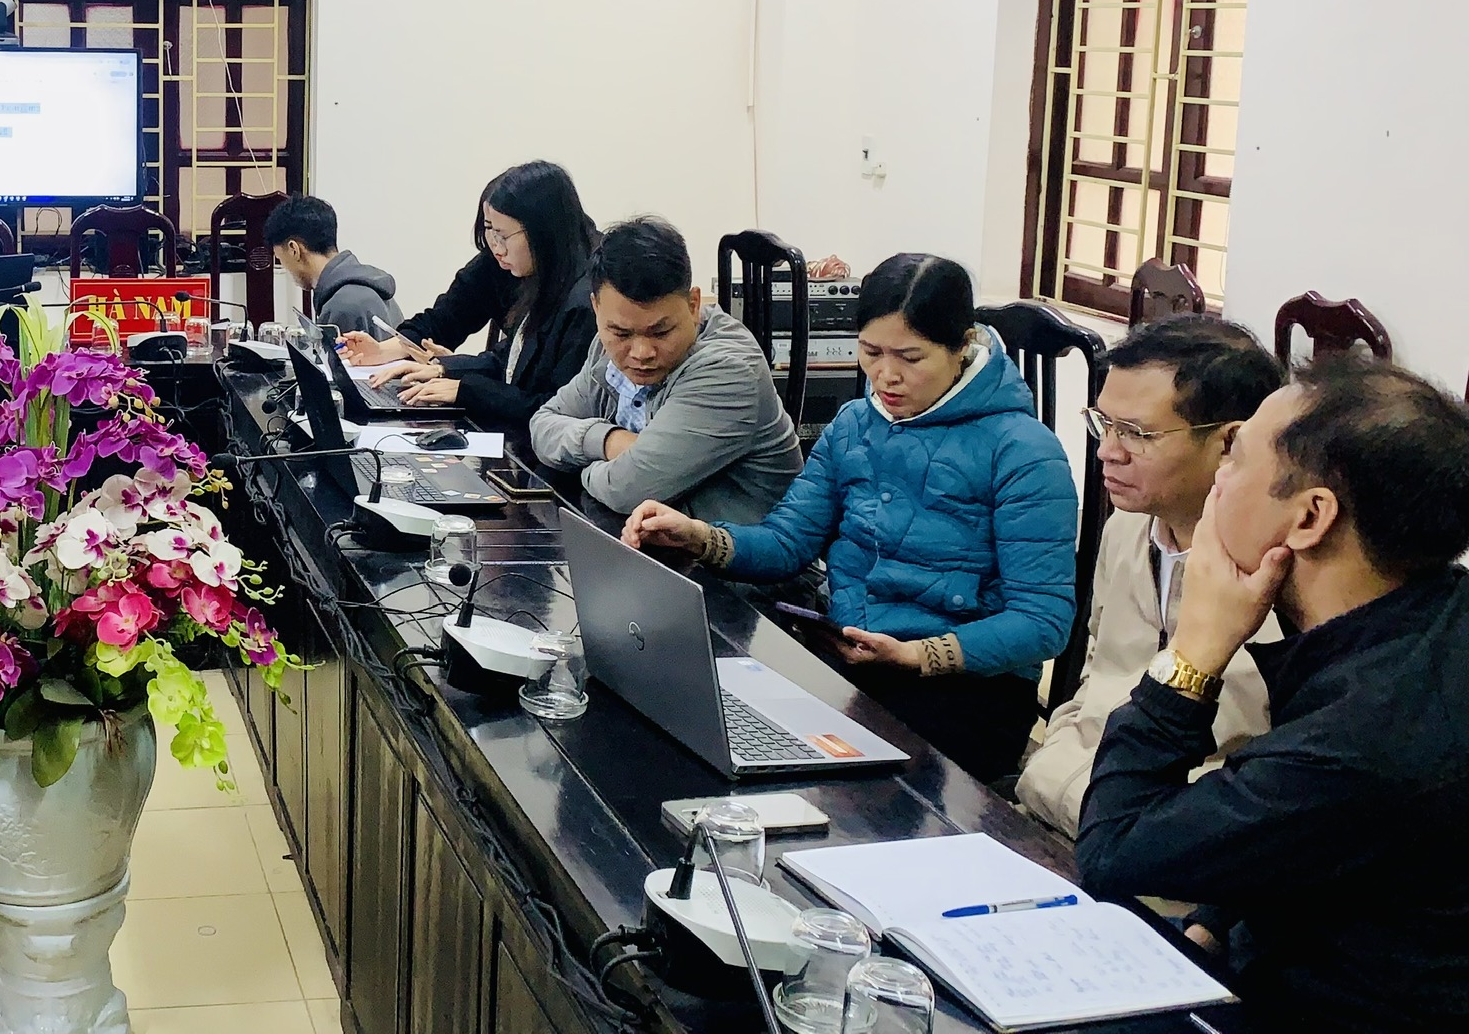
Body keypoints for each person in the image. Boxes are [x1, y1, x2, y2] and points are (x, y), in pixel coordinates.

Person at [1077, 355, 1469, 1032]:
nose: (1217, 478)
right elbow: (1304, 836)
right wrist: (1218, 916)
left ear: (1311, 517)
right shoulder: (1428, 617)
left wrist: (1193, 656)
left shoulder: (1364, 736)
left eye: (1235, 456)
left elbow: (1114, 852)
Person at [623, 253, 1076, 782]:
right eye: (871, 352)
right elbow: (788, 543)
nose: (886, 375)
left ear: (963, 346)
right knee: (686, 720)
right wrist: (699, 537)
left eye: (911, 357)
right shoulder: (855, 424)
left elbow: (1042, 622)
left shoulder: (1023, 451)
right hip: (856, 659)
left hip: (966, 688)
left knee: (835, 785)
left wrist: (916, 655)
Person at [1016, 317, 1283, 837]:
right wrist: (1051, 774)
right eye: (1104, 423)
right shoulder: (1127, 527)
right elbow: (1093, 678)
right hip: (1055, 811)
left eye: (1136, 434)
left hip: (1165, 847)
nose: (1107, 451)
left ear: (1230, 442)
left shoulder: (1276, 579)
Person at [529, 216, 802, 526]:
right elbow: (543, 425)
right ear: (597, 309)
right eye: (621, 333)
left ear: (693, 305)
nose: (641, 352)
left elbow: (626, 490)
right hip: (647, 538)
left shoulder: (729, 372)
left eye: (660, 332)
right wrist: (609, 440)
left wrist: (579, 466)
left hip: (736, 554)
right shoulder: (605, 347)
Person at [338, 161, 598, 426]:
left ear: (543, 232)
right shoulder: (536, 273)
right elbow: (501, 355)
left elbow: (556, 410)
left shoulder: (583, 301)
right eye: (489, 230)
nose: (496, 248)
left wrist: (466, 390)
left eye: (502, 235)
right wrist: (443, 368)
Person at [263, 194, 400, 335]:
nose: (286, 268)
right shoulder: (371, 285)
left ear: (294, 250)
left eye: (280, 259)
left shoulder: (342, 305)